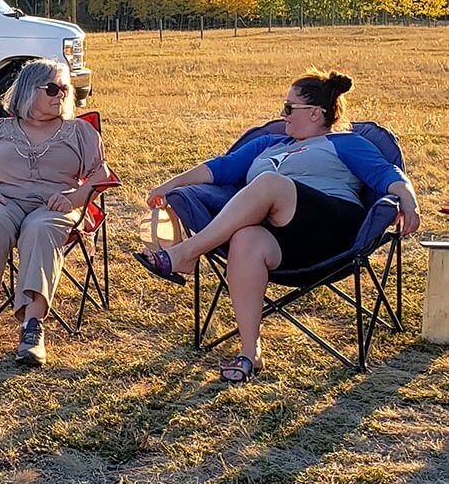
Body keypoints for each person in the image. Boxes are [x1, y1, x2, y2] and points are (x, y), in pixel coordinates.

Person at [136, 69, 421, 383]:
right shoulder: (268, 144)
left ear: (315, 113)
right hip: (283, 241)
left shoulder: (346, 143)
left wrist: (409, 201)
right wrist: (167, 186)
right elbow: (219, 168)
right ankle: (249, 352)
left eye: (289, 108)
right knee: (245, 238)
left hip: (331, 230)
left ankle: (187, 253)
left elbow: (387, 175)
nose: (281, 114)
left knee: (270, 183)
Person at [0, 60, 108, 365]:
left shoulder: (79, 131)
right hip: (5, 201)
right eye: (53, 88)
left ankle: (33, 327)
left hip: (54, 206)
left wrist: (76, 196)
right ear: (29, 91)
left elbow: (101, 175)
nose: (61, 95)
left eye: (66, 89)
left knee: (40, 229)